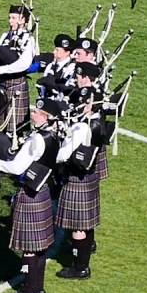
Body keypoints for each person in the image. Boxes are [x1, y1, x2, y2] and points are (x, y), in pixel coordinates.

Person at [0, 97, 63, 293]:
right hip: (43, 191)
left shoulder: (37, 140)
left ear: (46, 117)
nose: (32, 114)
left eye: (36, 112)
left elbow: (16, 168)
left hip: (31, 194)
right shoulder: (53, 136)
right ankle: (37, 287)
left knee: (29, 246)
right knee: (39, 245)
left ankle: (29, 290)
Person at [55, 68, 103, 279]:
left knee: (77, 226)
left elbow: (63, 155)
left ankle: (79, 267)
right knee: (86, 223)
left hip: (77, 178)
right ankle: (83, 256)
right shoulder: (95, 120)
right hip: (89, 176)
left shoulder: (81, 127)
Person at [0, 5, 35, 131]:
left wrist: (1, 70)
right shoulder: (5, 36)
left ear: (23, 20)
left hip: (17, 84)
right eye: (9, 18)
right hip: (2, 83)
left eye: (14, 18)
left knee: (15, 128)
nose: (10, 21)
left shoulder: (28, 39)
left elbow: (24, 64)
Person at [35, 33, 77, 102]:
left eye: (57, 50)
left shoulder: (71, 68)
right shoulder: (50, 66)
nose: (54, 52)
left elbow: (66, 88)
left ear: (67, 53)